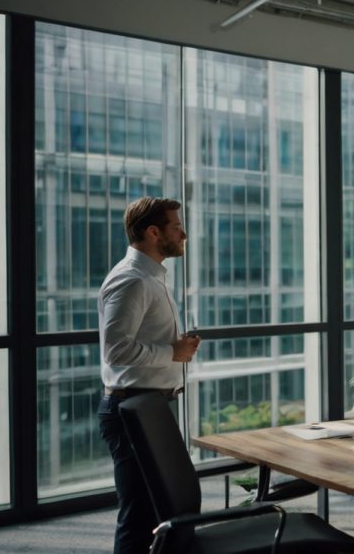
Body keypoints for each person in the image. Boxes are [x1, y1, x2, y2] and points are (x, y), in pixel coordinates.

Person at [97, 197, 201, 554]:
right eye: (176, 226)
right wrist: (173, 352)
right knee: (138, 516)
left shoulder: (152, 277)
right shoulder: (133, 280)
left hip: (148, 406)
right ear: (153, 232)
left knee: (159, 513)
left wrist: (176, 346)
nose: (183, 233)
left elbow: (137, 341)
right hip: (131, 412)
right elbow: (117, 349)